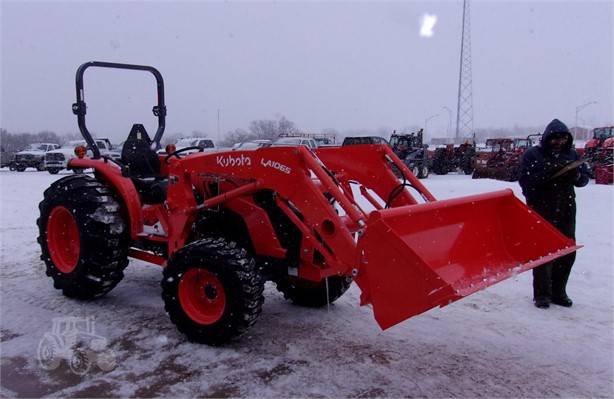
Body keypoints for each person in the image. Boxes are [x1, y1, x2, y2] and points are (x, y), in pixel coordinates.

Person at [518, 118, 590, 309]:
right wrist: (548, 173)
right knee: (544, 251)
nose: (559, 142)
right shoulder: (533, 155)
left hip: (566, 207)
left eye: (563, 138)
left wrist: (575, 175)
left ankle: (559, 292)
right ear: (547, 138)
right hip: (542, 208)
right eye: (555, 139)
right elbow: (525, 182)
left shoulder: (572, 155)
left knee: (566, 250)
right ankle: (542, 294)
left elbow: (583, 179)